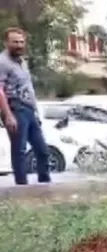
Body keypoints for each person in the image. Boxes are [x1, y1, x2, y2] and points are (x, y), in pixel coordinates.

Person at [0, 28, 50, 185]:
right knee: (19, 151)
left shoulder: (22, 62)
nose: (19, 45)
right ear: (6, 42)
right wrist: (7, 114)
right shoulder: (2, 62)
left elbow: (28, 88)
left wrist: (35, 112)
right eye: (15, 42)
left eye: (21, 42)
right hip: (15, 108)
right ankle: (21, 188)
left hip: (29, 110)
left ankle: (45, 185)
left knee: (42, 150)